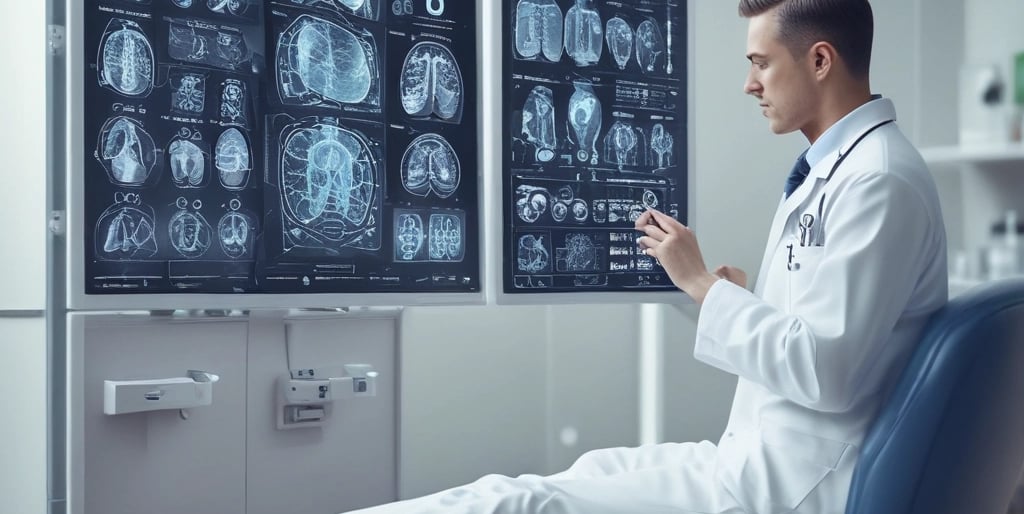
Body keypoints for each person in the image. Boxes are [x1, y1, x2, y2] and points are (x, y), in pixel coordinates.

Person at [345, 0, 947, 513]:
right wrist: (737, 297)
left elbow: (828, 372)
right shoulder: (842, 171)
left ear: (819, 61)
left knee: (524, 501)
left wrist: (703, 288)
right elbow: (831, 337)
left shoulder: (878, 181)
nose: (749, 84)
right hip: (761, 457)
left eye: (760, 63)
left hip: (787, 486)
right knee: (584, 468)